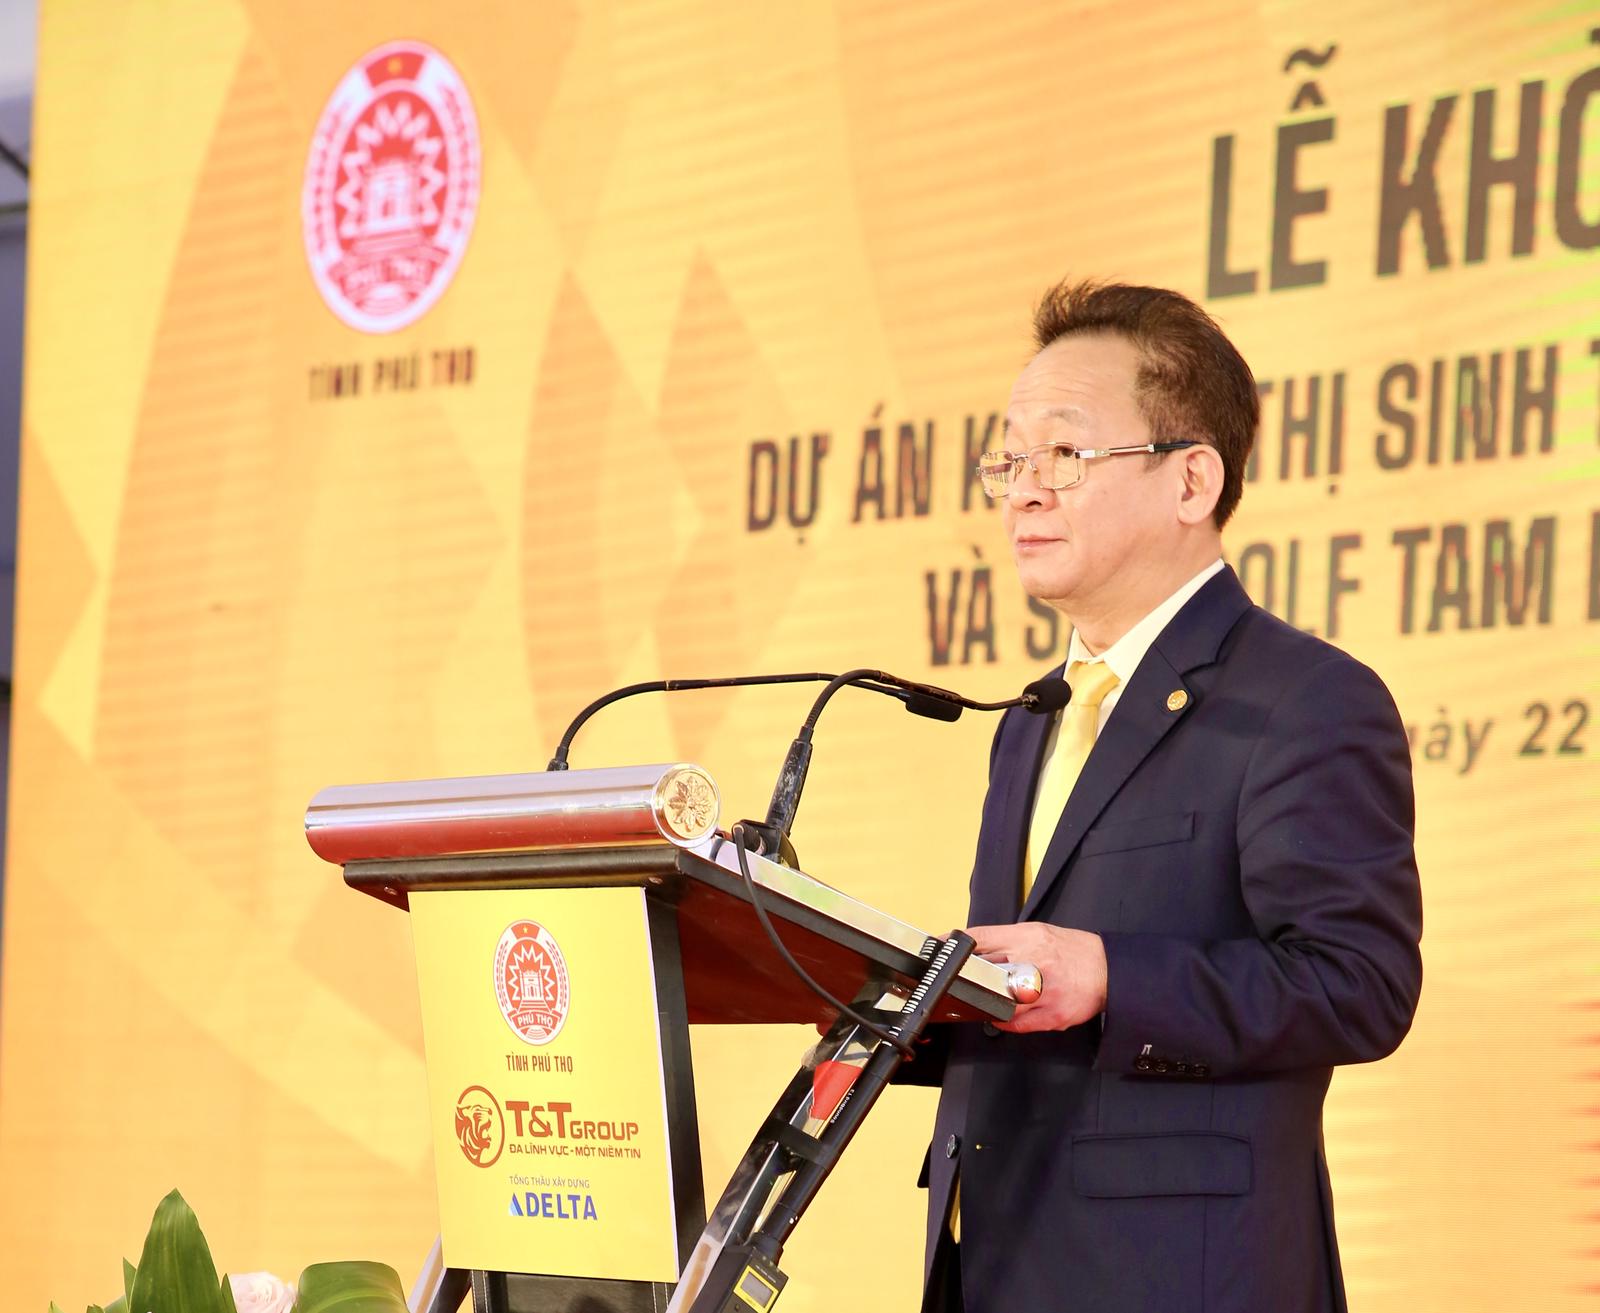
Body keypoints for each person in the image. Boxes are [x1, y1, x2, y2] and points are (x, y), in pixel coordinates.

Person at [912, 280, 1423, 1313]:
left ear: (1192, 479)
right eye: (1008, 460)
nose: (1022, 492)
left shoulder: (1304, 699)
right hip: (995, 1260)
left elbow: (1359, 983)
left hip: (1182, 1275)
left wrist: (1111, 974)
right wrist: (906, 1003)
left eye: (1064, 454)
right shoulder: (1033, 717)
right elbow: (1029, 995)